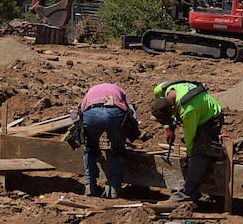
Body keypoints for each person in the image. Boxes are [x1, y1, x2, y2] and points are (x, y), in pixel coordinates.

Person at [149, 78, 227, 210]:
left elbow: (190, 138)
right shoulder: (161, 89)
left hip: (211, 118)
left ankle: (186, 194)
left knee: (198, 153)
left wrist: (189, 156)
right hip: (198, 110)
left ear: (173, 108)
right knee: (198, 150)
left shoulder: (187, 110)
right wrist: (167, 127)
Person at [72, 81, 141, 198]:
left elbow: (81, 111)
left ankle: (90, 185)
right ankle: (114, 188)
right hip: (114, 112)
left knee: (90, 149)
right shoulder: (119, 90)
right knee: (118, 150)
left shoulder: (92, 90)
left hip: (91, 112)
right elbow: (131, 112)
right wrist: (127, 132)